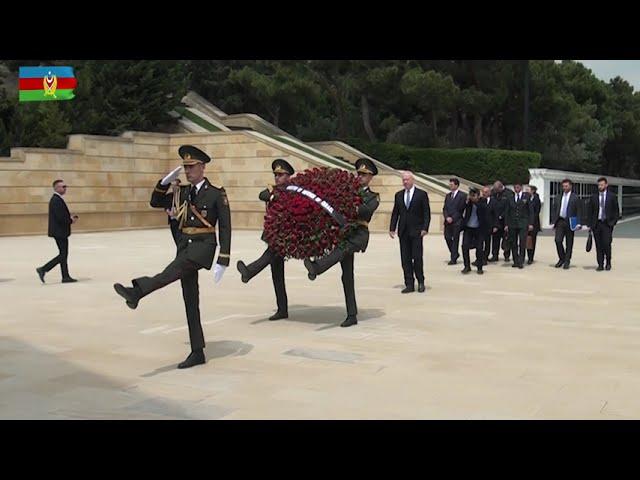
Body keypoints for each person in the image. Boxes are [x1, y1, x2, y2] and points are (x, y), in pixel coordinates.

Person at [113, 145, 231, 369]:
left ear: (203, 167)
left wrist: (223, 258)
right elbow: (155, 202)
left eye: (192, 167)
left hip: (202, 248)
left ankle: (137, 291)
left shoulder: (216, 194)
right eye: (185, 167)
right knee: (190, 300)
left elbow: (225, 227)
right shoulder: (182, 192)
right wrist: (163, 183)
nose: (188, 171)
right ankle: (198, 351)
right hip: (184, 245)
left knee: (170, 273)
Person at [303, 158, 380, 327]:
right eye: (358, 173)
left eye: (364, 175)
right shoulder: (347, 190)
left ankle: (318, 267)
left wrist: (348, 201)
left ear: (370, 177)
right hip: (345, 233)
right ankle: (351, 314)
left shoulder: (373, 196)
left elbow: (365, 211)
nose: (360, 177)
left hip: (359, 235)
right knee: (347, 276)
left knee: (341, 250)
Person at [237, 159, 294, 320]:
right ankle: (282, 309)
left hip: (285, 236)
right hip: (273, 234)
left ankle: (249, 271)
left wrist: (275, 196)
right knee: (277, 273)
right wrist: (273, 195)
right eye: (276, 175)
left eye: (281, 175)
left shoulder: (293, 191)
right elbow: (262, 195)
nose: (277, 177)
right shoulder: (273, 190)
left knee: (269, 256)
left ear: (288, 176)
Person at [389, 171, 431, 293]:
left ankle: (421, 281)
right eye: (403, 180)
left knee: (417, 258)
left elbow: (426, 213)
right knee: (405, 259)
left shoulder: (421, 194)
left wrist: (425, 228)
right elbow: (395, 212)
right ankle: (409, 284)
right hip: (403, 231)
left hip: (417, 231)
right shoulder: (398, 195)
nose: (405, 182)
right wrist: (392, 228)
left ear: (413, 180)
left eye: (407, 179)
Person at [36, 179, 78, 284]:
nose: (65, 189)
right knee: (63, 254)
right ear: (56, 188)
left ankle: (65, 276)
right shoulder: (56, 200)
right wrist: (70, 220)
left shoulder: (57, 199)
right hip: (59, 232)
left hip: (60, 231)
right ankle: (43, 269)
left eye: (65, 187)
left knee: (63, 254)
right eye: (63, 187)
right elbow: (60, 218)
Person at [587, 177, 620, 271]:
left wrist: (613, 222)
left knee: (606, 243)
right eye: (599, 185)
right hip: (596, 224)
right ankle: (600, 264)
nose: (600, 186)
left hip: (607, 224)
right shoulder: (594, 197)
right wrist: (590, 224)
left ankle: (608, 262)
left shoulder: (612, 196)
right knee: (598, 245)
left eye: (602, 184)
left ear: (606, 185)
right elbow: (590, 211)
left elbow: (616, 210)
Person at [552, 178, 583, 270]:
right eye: (563, 186)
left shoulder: (575, 197)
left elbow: (579, 211)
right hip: (560, 221)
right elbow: (554, 209)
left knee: (569, 243)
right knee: (558, 240)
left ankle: (567, 261)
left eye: (566, 186)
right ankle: (562, 258)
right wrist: (554, 222)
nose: (564, 188)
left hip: (571, 221)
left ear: (570, 186)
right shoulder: (558, 197)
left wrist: (578, 223)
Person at [461, 188, 490, 275]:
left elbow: (483, 209)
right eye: (471, 195)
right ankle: (467, 266)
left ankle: (479, 267)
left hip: (479, 229)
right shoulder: (468, 203)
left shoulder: (482, 202)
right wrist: (467, 202)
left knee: (479, 248)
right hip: (468, 228)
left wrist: (476, 201)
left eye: (474, 195)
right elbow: (461, 209)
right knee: (464, 246)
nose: (472, 197)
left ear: (478, 195)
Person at [505, 182, 533, 269]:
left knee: (522, 242)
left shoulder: (526, 196)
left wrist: (531, 223)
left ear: (521, 187)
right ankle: (515, 261)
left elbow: (530, 211)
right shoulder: (510, 197)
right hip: (512, 223)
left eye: (518, 187)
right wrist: (506, 224)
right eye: (515, 187)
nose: (516, 189)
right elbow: (507, 212)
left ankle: (521, 261)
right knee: (513, 243)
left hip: (523, 223)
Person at [442, 178, 467, 265]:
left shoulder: (462, 196)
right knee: (447, 238)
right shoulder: (448, 195)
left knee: (455, 239)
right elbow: (445, 208)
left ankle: (453, 258)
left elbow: (461, 209)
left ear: (456, 185)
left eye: (452, 184)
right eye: (450, 184)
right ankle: (455, 253)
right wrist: (446, 217)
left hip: (457, 221)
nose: (450, 186)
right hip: (447, 221)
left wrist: (453, 218)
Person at [489, 181, 511, 262]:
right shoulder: (493, 192)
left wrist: (502, 216)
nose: (494, 191)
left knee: (506, 239)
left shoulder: (509, 193)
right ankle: (495, 255)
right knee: (495, 239)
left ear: (501, 187)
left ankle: (506, 255)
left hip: (505, 220)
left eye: (496, 189)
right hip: (495, 220)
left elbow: (509, 208)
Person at [479, 185, 494, 266]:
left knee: (487, 243)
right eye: (483, 192)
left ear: (489, 193)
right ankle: (480, 258)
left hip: (489, 225)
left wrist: (495, 226)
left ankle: (485, 257)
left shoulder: (493, 201)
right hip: (480, 226)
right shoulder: (479, 200)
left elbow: (495, 214)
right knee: (480, 243)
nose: (484, 193)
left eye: (486, 192)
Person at [526, 185, 541, 264]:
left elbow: (536, 212)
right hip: (525, 223)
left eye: (527, 190)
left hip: (534, 224)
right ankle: (526, 256)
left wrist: (531, 223)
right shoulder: (525, 198)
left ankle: (530, 257)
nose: (526, 191)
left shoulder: (536, 199)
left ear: (532, 191)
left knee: (532, 240)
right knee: (526, 240)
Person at [166, 179, 182, 247]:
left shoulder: (181, 195)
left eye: (176, 185)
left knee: (180, 239)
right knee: (176, 238)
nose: (174, 187)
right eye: (173, 186)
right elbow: (166, 206)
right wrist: (168, 212)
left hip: (180, 221)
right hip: (173, 220)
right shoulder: (169, 196)